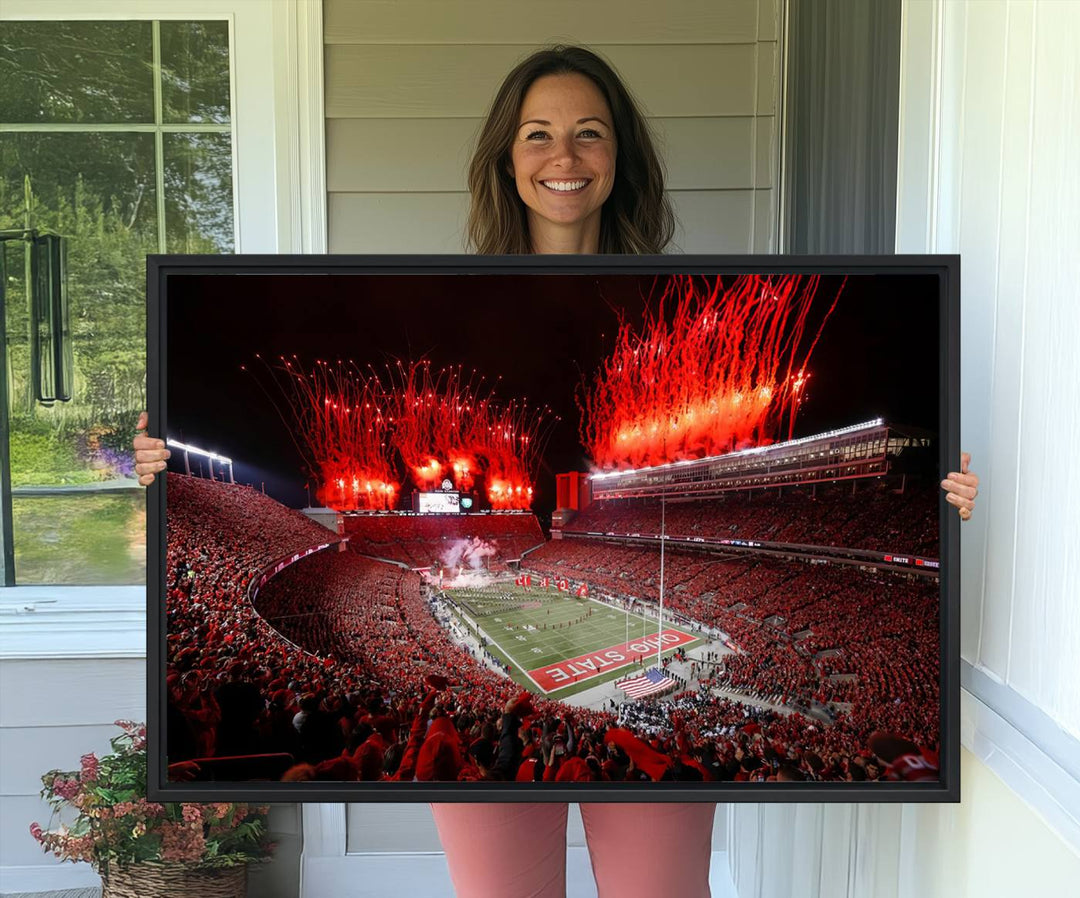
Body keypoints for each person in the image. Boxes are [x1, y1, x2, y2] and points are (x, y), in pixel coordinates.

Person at [134, 44, 980, 898]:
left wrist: (938, 500)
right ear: (506, 158)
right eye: (537, 134)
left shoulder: (681, 285)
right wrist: (160, 476)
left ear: (621, 158)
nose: (564, 157)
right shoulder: (447, 290)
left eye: (589, 133)